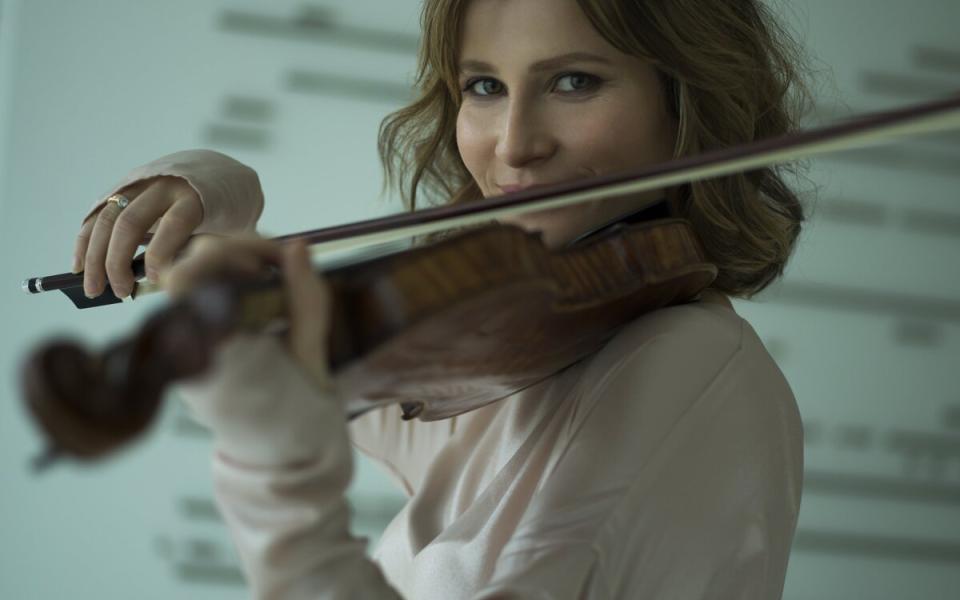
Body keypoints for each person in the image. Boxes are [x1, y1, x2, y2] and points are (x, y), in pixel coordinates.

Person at [73, 0, 811, 598]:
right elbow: (305, 346)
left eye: (574, 81)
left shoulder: (687, 366)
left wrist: (277, 481)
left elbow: (289, 380)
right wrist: (218, 205)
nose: (515, 145)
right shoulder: (532, 343)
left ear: (684, 104)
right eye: (484, 87)